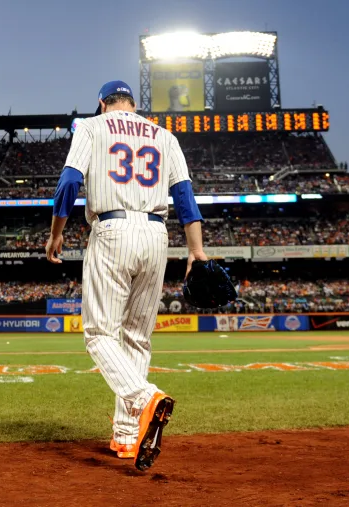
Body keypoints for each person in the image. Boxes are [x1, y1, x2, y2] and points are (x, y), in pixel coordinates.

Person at [45, 81, 206, 471]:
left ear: (102, 103)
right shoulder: (164, 135)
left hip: (112, 228)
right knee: (136, 338)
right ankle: (126, 435)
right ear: (134, 104)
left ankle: (143, 396)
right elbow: (184, 195)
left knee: (100, 334)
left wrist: (56, 233)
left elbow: (68, 182)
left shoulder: (92, 126)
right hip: (156, 234)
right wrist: (196, 249)